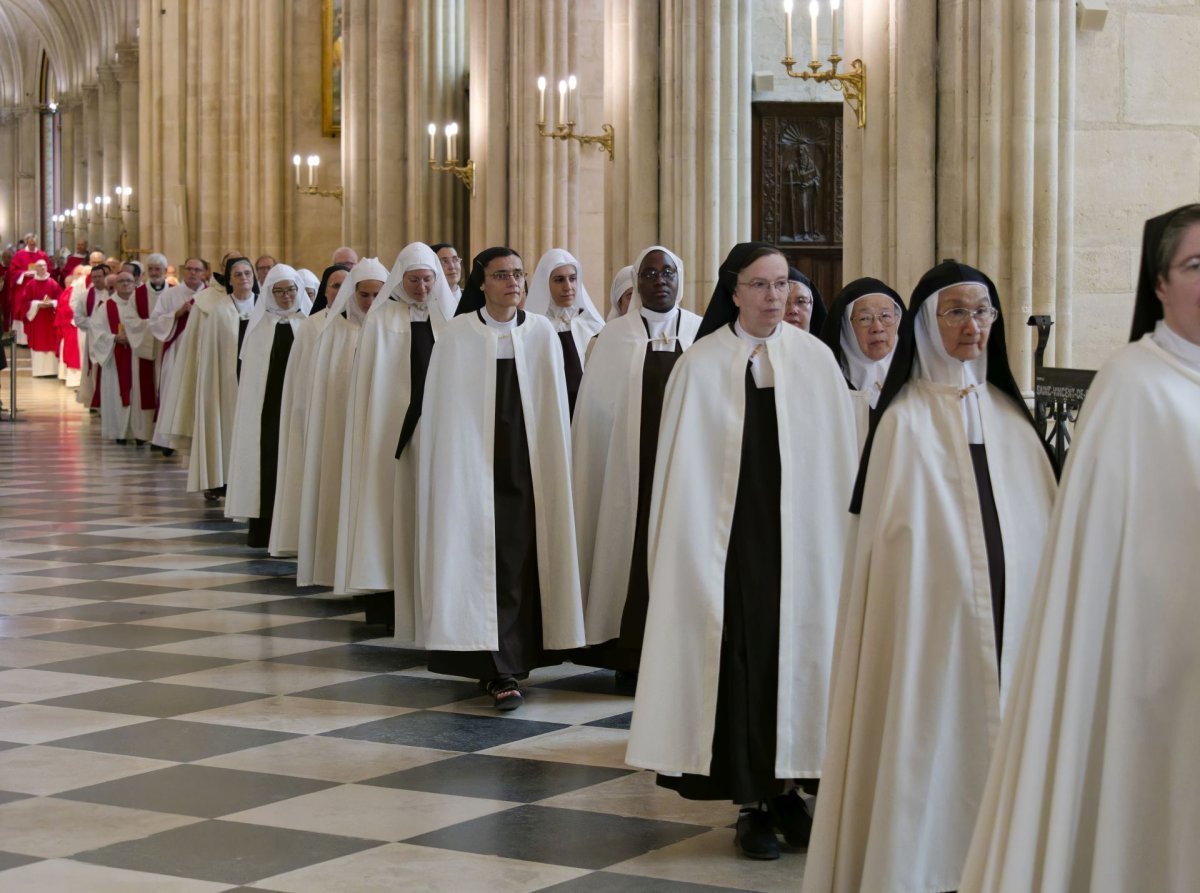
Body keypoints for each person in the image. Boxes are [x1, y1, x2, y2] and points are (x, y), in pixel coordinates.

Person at [960, 204, 1200, 893]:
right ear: (1158, 283)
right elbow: (1102, 562)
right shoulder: (1135, 383)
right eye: (1195, 265)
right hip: (1149, 676)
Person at [801, 262, 1058, 893]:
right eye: (957, 312)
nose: (974, 326)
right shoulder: (904, 422)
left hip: (1015, 626)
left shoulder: (1009, 416)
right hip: (929, 635)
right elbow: (889, 559)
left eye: (984, 312)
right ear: (928, 323)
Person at [625, 243, 858, 860]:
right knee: (740, 664)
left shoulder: (814, 360)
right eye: (760, 284)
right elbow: (682, 477)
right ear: (734, 291)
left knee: (797, 658)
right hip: (726, 549)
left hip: (802, 548)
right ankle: (752, 802)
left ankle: (790, 789)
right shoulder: (701, 365)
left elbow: (837, 467)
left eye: (782, 284)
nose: (774, 296)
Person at [417, 247, 584, 710]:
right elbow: (444, 413)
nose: (512, 282)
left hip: (530, 467)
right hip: (472, 467)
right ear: (482, 283)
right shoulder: (457, 337)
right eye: (500, 275)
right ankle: (495, 668)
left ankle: (518, 657)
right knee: (479, 558)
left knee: (522, 557)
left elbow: (553, 411)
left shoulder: (542, 333)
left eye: (517, 274)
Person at [571, 246, 700, 683]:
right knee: (626, 554)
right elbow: (596, 417)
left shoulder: (703, 333)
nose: (659, 280)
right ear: (636, 281)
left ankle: (682, 656)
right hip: (627, 474)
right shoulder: (612, 337)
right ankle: (628, 655)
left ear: (680, 279)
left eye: (667, 272)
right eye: (649, 273)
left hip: (685, 472)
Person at [338, 243, 453, 627]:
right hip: (390, 430)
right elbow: (372, 387)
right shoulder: (381, 320)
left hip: (438, 426)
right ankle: (387, 594)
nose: (421, 287)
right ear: (400, 281)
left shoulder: (449, 316)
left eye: (427, 279)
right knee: (387, 508)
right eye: (413, 279)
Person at [296, 260, 386, 589]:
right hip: (341, 434)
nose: (371, 302)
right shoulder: (333, 333)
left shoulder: (395, 330)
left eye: (379, 294)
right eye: (364, 294)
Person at [269, 263, 352, 559]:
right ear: (324, 291)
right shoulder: (312, 325)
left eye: (346, 285)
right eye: (334, 285)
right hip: (317, 417)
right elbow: (301, 378)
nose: (341, 291)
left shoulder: (369, 324)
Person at [225, 264, 311, 546]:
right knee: (269, 466)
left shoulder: (307, 324)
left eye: (291, 290)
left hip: (299, 407)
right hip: (268, 411)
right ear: (270, 293)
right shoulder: (260, 327)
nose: (286, 296)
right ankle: (264, 529)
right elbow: (252, 375)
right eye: (279, 291)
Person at [188, 256, 258, 501]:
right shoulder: (220, 311)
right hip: (227, 383)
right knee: (227, 429)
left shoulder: (263, 308)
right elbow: (210, 356)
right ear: (229, 279)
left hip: (255, 383)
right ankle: (225, 478)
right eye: (237, 274)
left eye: (248, 273)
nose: (244, 278)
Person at [819, 277, 906, 441]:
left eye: (886, 316)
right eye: (865, 318)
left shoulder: (914, 382)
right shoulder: (825, 387)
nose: (878, 328)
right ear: (846, 328)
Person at [525, 248, 605, 415]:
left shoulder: (593, 326)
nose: (568, 287)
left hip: (590, 411)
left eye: (572, 279)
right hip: (551, 410)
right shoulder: (534, 328)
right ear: (545, 284)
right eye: (559, 280)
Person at [149, 257, 210, 454]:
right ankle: (165, 440)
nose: (193, 273)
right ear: (184, 271)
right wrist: (176, 314)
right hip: (176, 348)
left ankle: (194, 437)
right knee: (170, 390)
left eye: (197, 270)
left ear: (205, 273)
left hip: (202, 350)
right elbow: (155, 321)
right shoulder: (170, 295)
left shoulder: (210, 296)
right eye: (190, 269)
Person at [89, 267, 156, 443]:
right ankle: (120, 432)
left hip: (137, 356)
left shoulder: (142, 304)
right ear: (114, 285)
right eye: (121, 281)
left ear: (135, 283)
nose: (126, 284)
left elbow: (152, 325)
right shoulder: (106, 307)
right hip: (116, 358)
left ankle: (140, 433)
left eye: (129, 281)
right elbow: (96, 331)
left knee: (138, 394)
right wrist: (113, 338)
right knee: (117, 395)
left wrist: (138, 336)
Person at [75, 263, 110, 408]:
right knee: (94, 370)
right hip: (93, 339)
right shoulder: (85, 296)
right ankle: (95, 401)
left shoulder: (112, 293)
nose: (96, 280)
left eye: (99, 276)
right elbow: (78, 318)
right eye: (94, 277)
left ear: (105, 277)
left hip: (109, 337)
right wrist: (94, 324)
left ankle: (107, 401)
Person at [19, 260, 63, 377]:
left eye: (44, 266)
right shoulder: (30, 285)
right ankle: (39, 372)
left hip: (50, 319)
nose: (42, 268)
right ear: (35, 269)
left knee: (52, 341)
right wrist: (37, 304)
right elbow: (24, 303)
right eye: (39, 266)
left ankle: (53, 371)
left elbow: (61, 300)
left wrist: (52, 303)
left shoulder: (53, 283)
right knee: (39, 341)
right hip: (37, 321)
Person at [55, 264, 88, 388]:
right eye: (80, 274)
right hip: (73, 326)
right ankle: (76, 380)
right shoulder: (72, 289)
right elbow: (65, 309)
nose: (83, 277)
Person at [783, 266, 825, 333]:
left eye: (801, 301)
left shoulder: (821, 343)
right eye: (783, 302)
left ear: (812, 306)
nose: (793, 310)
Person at [430, 242, 463, 313]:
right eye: (444, 261)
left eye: (455, 260)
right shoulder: (425, 303)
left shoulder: (473, 299)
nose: (452, 267)